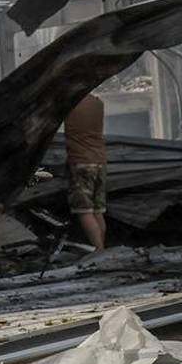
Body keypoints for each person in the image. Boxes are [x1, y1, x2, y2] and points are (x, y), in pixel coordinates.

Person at [64, 91, 108, 250]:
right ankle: (102, 248)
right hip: (99, 161)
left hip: (81, 162)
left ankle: (99, 251)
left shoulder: (70, 104)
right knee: (97, 210)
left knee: (84, 211)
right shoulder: (98, 103)